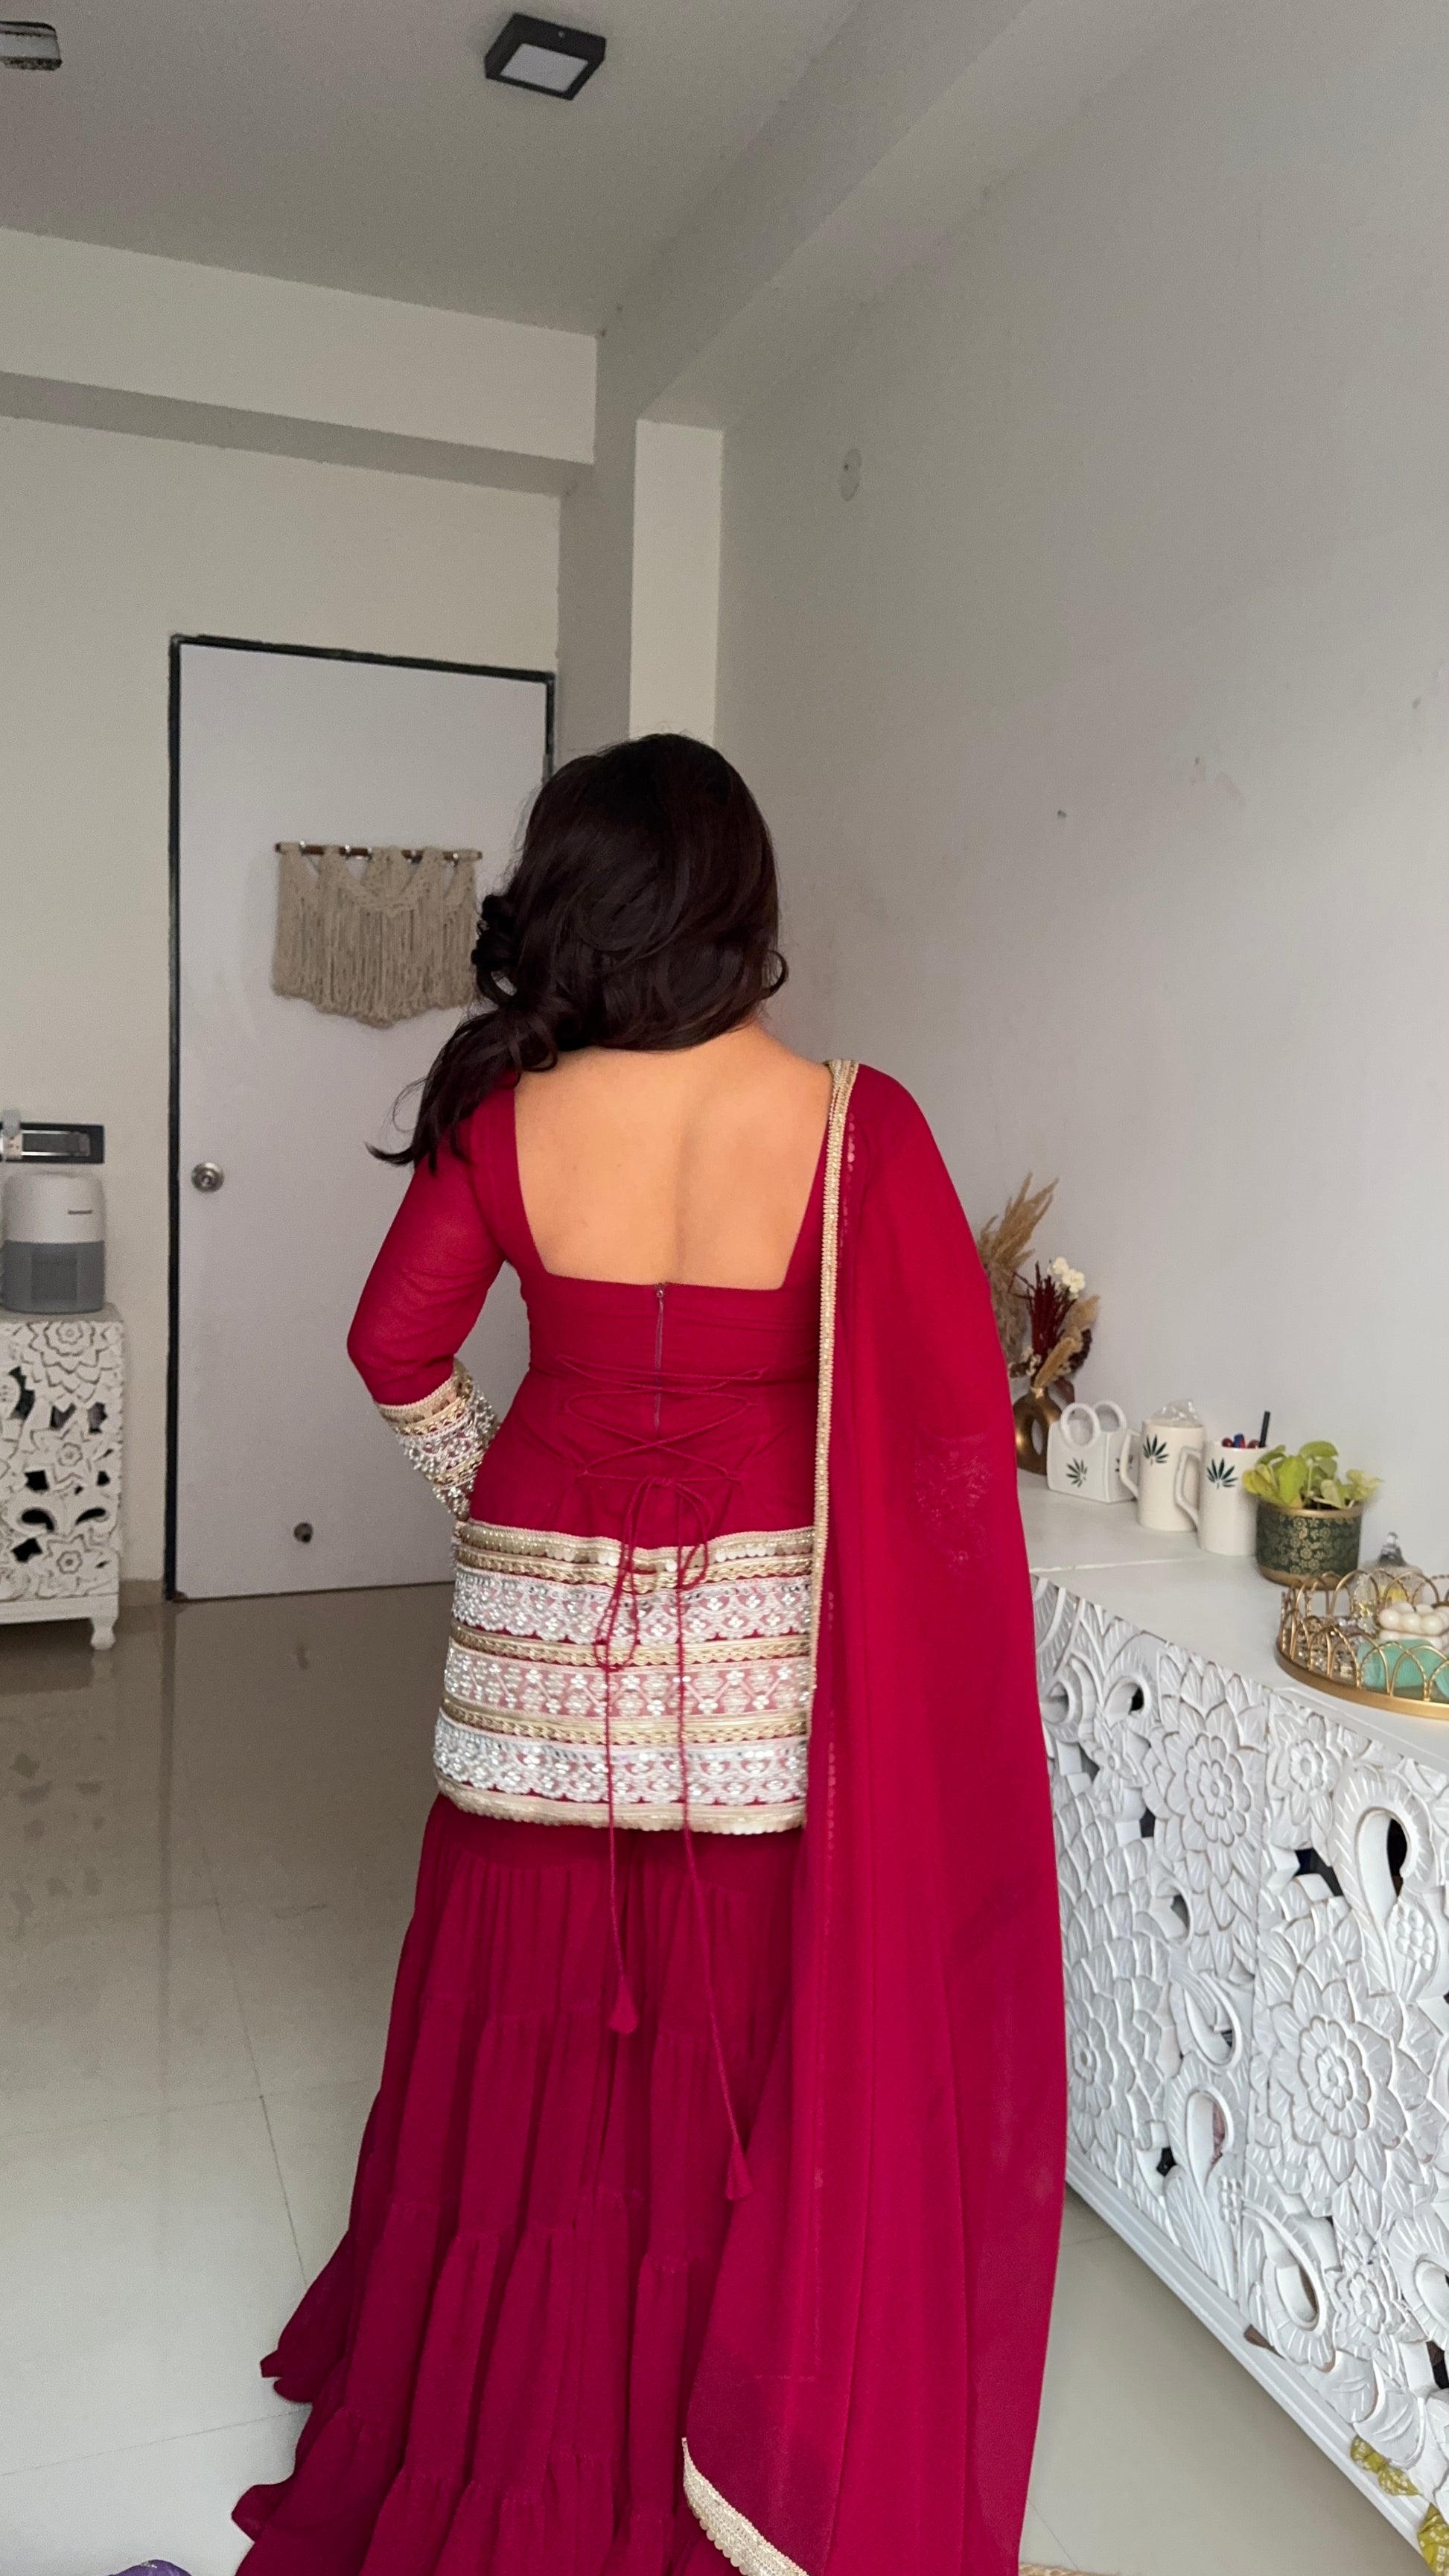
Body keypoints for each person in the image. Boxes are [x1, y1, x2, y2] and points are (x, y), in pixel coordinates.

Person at [232, 734, 1065, 2576]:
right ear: (737, 902)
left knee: (521, 2029)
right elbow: (939, 1446)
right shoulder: (853, 1121)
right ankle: (731, 2440)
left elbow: (391, 1347)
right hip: (762, 1676)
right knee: (732, 2046)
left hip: (536, 1658)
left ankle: (500, 2411)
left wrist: (501, 1501)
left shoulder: (505, 1110)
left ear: (575, 902)